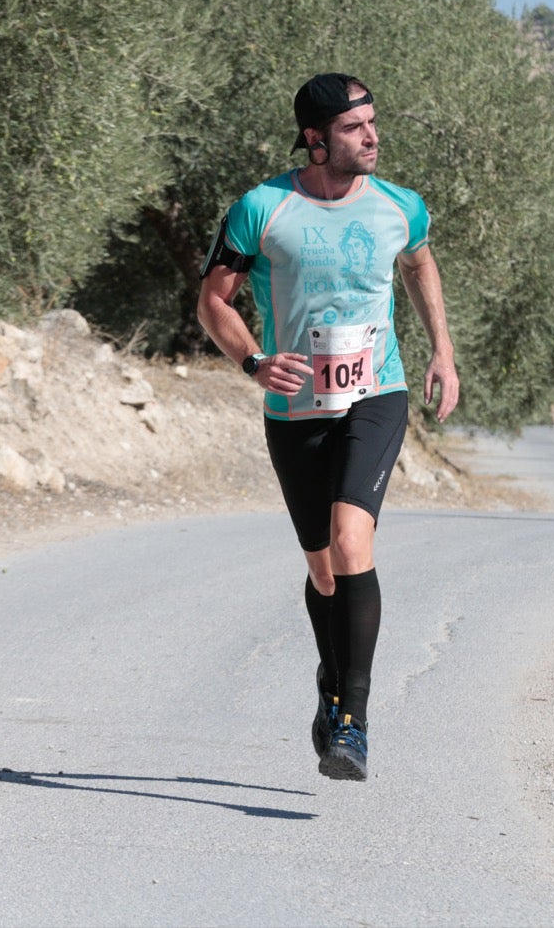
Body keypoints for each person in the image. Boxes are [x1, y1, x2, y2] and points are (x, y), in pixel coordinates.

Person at [195, 73, 459, 782]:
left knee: (351, 542)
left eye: (373, 122)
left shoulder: (400, 206)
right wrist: (252, 359)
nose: (372, 137)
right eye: (353, 128)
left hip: (378, 392)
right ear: (315, 139)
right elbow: (212, 301)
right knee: (322, 567)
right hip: (295, 409)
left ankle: (354, 719)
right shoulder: (261, 209)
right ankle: (331, 677)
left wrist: (442, 349)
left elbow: (420, 261)